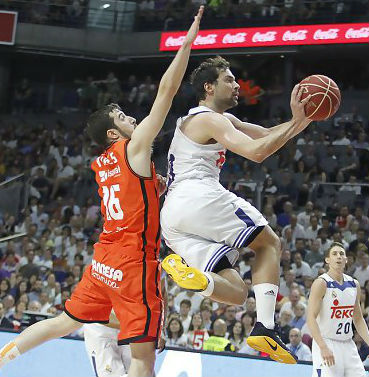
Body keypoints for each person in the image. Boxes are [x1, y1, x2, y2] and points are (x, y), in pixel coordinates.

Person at [0, 8, 204, 377]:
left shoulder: (102, 162)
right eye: (125, 118)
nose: (133, 120)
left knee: (62, 322)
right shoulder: (135, 148)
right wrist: (188, 42)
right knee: (143, 360)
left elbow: (132, 197)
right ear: (114, 134)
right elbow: (167, 91)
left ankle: (4, 357)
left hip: (103, 260)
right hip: (131, 263)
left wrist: (154, 193)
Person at [160, 55, 312, 364]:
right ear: (208, 86)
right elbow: (257, 153)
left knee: (238, 292)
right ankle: (266, 327)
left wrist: (304, 119)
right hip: (198, 196)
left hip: (174, 218)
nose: (236, 85)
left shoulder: (216, 120)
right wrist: (297, 120)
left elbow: (266, 135)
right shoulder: (208, 118)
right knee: (268, 243)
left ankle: (198, 280)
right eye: (229, 80)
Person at [307, 242, 369, 377]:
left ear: (346, 260)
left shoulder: (354, 284)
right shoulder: (321, 283)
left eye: (341, 254)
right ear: (327, 260)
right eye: (334, 254)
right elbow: (310, 318)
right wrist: (323, 347)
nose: (338, 256)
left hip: (348, 344)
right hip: (327, 342)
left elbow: (358, 319)